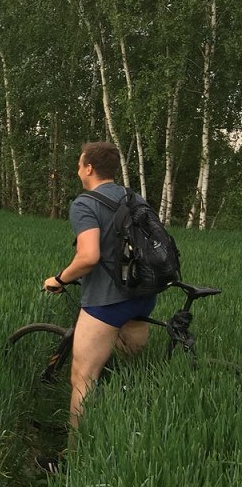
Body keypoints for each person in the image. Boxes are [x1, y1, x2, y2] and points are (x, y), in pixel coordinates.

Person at [43, 141, 156, 434]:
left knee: (83, 378)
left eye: (79, 165)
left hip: (106, 301)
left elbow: (88, 257)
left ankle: (75, 453)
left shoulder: (85, 204)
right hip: (142, 295)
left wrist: (59, 279)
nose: (78, 170)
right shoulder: (134, 198)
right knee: (132, 371)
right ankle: (133, 429)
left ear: (89, 168)